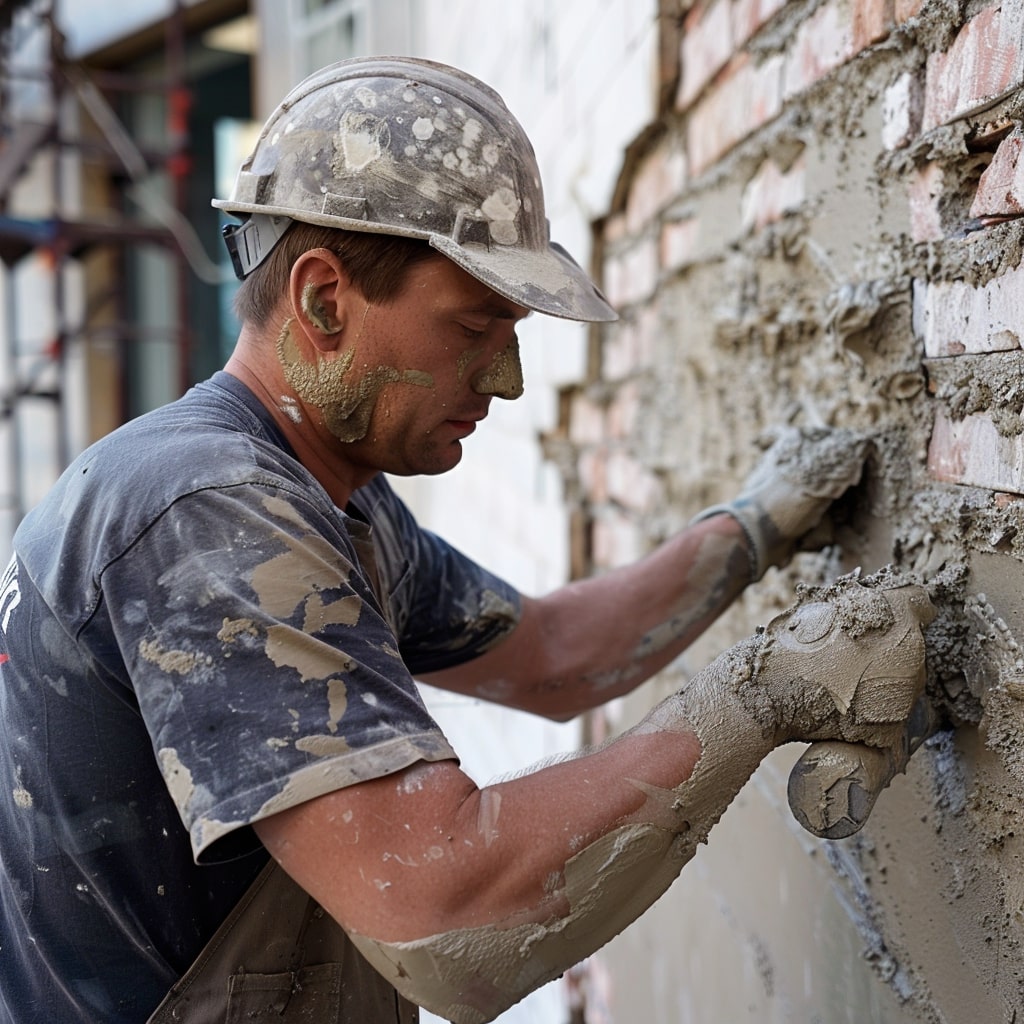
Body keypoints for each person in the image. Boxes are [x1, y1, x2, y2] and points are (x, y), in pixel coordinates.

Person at [0, 56, 934, 1024]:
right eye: (474, 327)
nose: (508, 380)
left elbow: (555, 659)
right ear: (324, 300)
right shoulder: (210, 510)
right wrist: (766, 691)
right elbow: (444, 924)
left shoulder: (318, 491)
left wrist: (754, 526)